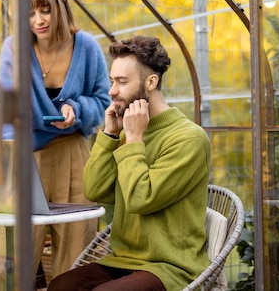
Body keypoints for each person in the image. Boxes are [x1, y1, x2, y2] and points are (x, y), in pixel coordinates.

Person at [48, 36, 212, 291]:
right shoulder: (127, 133)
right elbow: (95, 190)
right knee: (61, 286)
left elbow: (140, 199)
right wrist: (110, 135)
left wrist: (134, 139)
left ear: (151, 82)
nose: (112, 90)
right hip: (122, 261)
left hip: (170, 267)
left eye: (122, 82)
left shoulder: (188, 139)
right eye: (112, 81)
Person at [0, 0, 111, 290]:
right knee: (10, 254)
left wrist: (77, 110)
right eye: (29, 13)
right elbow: (8, 105)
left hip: (74, 155)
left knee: (78, 250)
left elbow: (103, 100)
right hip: (26, 156)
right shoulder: (14, 48)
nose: (37, 20)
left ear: (61, 9)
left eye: (45, 11)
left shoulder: (87, 47)